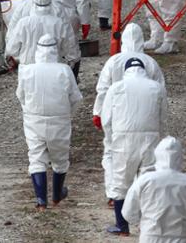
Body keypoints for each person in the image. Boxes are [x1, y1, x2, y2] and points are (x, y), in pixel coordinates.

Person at [93, 23, 165, 207]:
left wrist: (98, 113)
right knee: (147, 165)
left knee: (113, 156)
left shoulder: (114, 61)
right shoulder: (150, 63)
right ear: (142, 39)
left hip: (118, 117)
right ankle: (142, 201)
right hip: (146, 119)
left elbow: (102, 90)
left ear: (122, 39)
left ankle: (114, 193)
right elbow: (161, 93)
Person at [101, 57, 168, 236]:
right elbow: (163, 118)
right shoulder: (156, 88)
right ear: (144, 70)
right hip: (150, 137)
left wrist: (109, 139)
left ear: (126, 71)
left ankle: (122, 226)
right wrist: (160, 137)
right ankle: (148, 226)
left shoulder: (116, 88)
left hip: (123, 138)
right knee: (148, 180)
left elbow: (106, 118)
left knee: (121, 180)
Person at [17, 34, 83, 210]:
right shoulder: (64, 70)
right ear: (56, 50)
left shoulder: (27, 70)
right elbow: (76, 98)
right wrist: (67, 113)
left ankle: (41, 200)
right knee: (60, 158)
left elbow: (20, 95)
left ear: (37, 50)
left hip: (34, 119)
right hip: (59, 119)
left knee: (36, 157)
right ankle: (56, 194)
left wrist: (30, 111)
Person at [122, 136, 186, 242]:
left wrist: (144, 223)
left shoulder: (145, 180)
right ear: (180, 157)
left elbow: (128, 212)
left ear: (157, 155)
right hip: (182, 237)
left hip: (151, 237)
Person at [5, 0, 81, 77]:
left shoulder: (23, 23)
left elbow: (11, 50)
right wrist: (71, 62)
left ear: (33, 3)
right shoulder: (59, 23)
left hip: (28, 69)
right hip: (54, 68)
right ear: (50, 3)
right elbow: (71, 48)